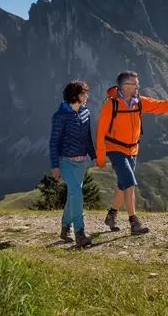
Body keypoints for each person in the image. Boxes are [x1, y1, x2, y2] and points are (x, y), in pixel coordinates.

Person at [95, 70, 168, 234]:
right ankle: (134, 223)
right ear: (124, 86)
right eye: (134, 83)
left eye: (137, 83)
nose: (138, 86)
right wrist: (100, 156)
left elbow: (161, 105)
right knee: (129, 183)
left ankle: (111, 215)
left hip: (133, 150)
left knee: (122, 185)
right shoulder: (111, 105)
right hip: (115, 149)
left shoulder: (140, 102)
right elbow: (100, 131)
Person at [49, 80, 96, 248]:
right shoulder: (60, 116)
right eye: (84, 93)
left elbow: (88, 138)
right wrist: (55, 166)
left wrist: (94, 155)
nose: (87, 96)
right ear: (76, 96)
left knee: (73, 194)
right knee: (76, 191)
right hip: (65, 161)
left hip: (81, 161)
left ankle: (64, 227)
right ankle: (80, 232)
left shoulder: (85, 113)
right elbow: (53, 142)